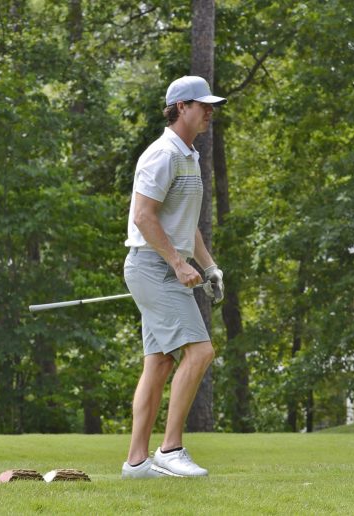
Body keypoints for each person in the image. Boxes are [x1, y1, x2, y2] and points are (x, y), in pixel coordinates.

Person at [121, 76, 227, 479]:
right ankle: (170, 449)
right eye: (203, 105)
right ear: (181, 107)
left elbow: (185, 224)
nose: (209, 112)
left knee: (160, 363)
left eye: (211, 105)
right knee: (200, 352)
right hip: (152, 267)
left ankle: (136, 464)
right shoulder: (163, 154)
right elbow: (143, 216)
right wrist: (179, 264)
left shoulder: (189, 156)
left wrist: (208, 266)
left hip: (163, 266)